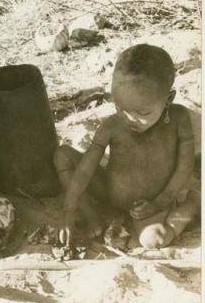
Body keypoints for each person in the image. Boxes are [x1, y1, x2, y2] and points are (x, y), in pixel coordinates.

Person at [54, 44, 201, 249]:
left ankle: (192, 205)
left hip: (151, 202)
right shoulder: (112, 126)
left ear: (168, 99)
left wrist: (160, 202)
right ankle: (90, 215)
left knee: (154, 240)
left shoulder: (178, 120)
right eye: (121, 108)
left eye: (143, 112)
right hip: (109, 191)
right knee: (62, 155)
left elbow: (183, 167)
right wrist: (68, 209)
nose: (130, 119)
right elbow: (85, 169)